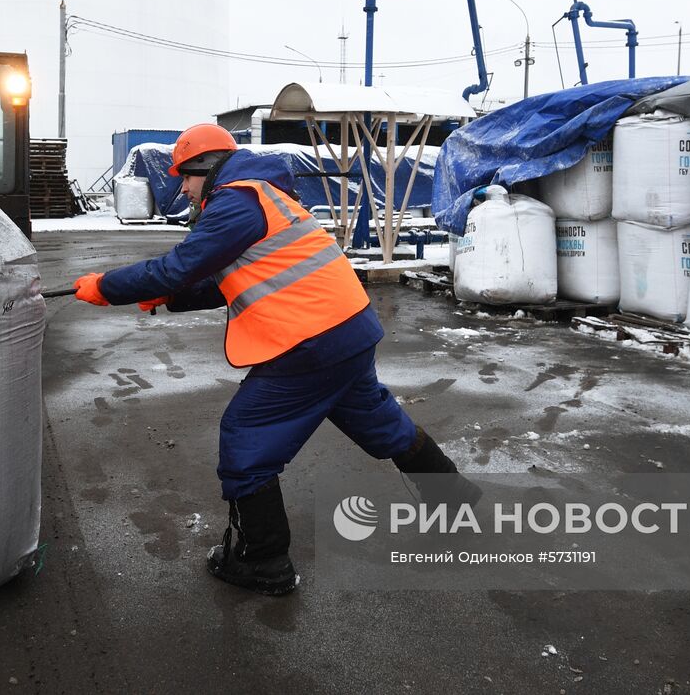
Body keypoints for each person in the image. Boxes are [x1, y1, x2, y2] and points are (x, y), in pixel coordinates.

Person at [73, 123, 479, 595]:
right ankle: (456, 499)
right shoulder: (262, 195)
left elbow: (178, 266)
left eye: (185, 176)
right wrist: (170, 297)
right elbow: (226, 278)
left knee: (246, 438)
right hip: (348, 331)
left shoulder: (235, 201)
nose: (182, 188)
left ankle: (262, 561)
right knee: (382, 425)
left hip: (311, 343)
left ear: (207, 167)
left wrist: (106, 286)